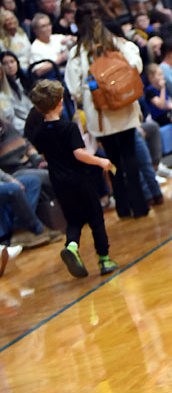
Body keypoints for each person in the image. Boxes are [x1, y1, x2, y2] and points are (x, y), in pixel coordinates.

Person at [64, 0, 149, 219]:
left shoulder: (77, 53)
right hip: (125, 104)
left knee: (112, 158)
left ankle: (123, 207)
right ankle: (140, 206)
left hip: (99, 111)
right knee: (129, 154)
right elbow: (137, 65)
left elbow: (74, 89)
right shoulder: (117, 43)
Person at [30, 80, 119, 278]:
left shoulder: (39, 133)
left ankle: (71, 246)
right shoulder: (68, 127)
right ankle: (104, 259)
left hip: (59, 183)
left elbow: (46, 155)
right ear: (60, 102)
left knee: (73, 220)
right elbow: (78, 154)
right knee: (96, 218)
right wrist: (101, 161)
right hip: (79, 180)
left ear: (38, 107)